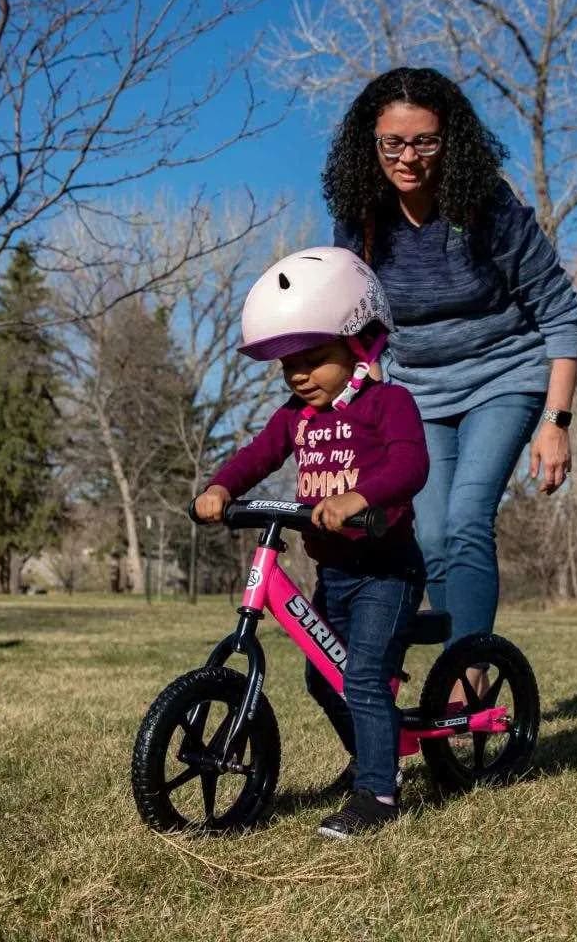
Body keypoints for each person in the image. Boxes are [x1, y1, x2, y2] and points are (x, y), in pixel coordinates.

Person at [326, 67, 577, 698]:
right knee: (432, 531)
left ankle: (467, 678)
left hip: (505, 375)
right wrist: (371, 405)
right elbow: (362, 327)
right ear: (371, 143)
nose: (408, 157)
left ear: (451, 141)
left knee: (468, 518)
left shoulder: (485, 207)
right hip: (418, 392)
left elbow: (561, 311)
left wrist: (555, 423)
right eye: (393, 143)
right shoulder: (361, 220)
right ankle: (458, 676)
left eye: (424, 141)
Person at [193, 246, 428, 839]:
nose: (299, 374)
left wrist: (359, 498)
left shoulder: (388, 403)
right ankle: (373, 757)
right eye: (287, 365)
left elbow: (410, 465)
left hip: (386, 569)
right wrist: (222, 486)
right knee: (323, 678)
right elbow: (257, 455)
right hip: (336, 574)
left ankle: (378, 794)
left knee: (364, 676)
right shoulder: (295, 416)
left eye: (313, 359)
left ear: (359, 344)